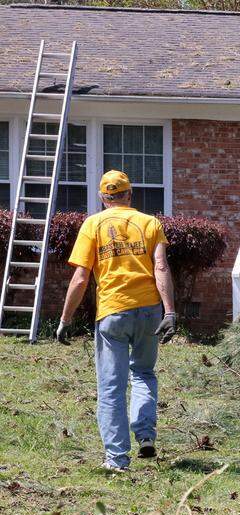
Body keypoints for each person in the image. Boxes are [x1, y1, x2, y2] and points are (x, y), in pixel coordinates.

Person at [56, 170, 177, 472]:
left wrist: (65, 319)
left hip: (112, 312)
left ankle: (117, 459)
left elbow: (81, 277)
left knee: (111, 386)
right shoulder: (150, 223)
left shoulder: (92, 224)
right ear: (129, 194)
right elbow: (160, 266)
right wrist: (170, 311)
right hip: (149, 311)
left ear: (102, 197)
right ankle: (146, 435)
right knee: (144, 373)